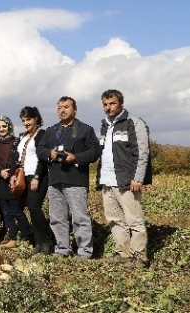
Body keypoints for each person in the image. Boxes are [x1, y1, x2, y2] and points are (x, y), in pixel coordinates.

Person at [37, 96, 101, 259]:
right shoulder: (51, 131)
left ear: (75, 110)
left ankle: (85, 251)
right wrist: (49, 154)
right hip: (55, 180)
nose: (62, 110)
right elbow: (40, 149)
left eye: (66, 107)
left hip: (76, 179)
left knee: (80, 217)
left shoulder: (85, 130)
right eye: (59, 107)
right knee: (57, 217)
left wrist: (76, 158)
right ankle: (62, 249)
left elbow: (95, 151)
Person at [97, 90, 152, 268]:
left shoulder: (133, 123)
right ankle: (124, 253)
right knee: (114, 219)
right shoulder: (105, 125)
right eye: (105, 104)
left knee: (133, 219)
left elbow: (142, 152)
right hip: (108, 180)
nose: (108, 107)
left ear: (121, 103)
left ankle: (140, 257)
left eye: (112, 103)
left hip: (127, 181)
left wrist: (138, 178)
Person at [0, 116, 31, 248]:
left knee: (16, 211)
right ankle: (12, 238)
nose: (2, 129)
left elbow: (18, 159)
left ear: (9, 127)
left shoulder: (15, 142)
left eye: (4, 126)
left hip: (11, 179)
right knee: (6, 212)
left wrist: (10, 171)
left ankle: (27, 236)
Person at [17, 106, 53, 254]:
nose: (26, 123)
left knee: (35, 207)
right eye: (24, 120)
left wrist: (37, 177)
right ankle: (38, 243)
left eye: (29, 119)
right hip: (24, 175)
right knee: (31, 209)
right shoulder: (23, 137)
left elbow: (43, 158)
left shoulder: (42, 134)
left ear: (36, 118)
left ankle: (47, 242)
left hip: (37, 175)